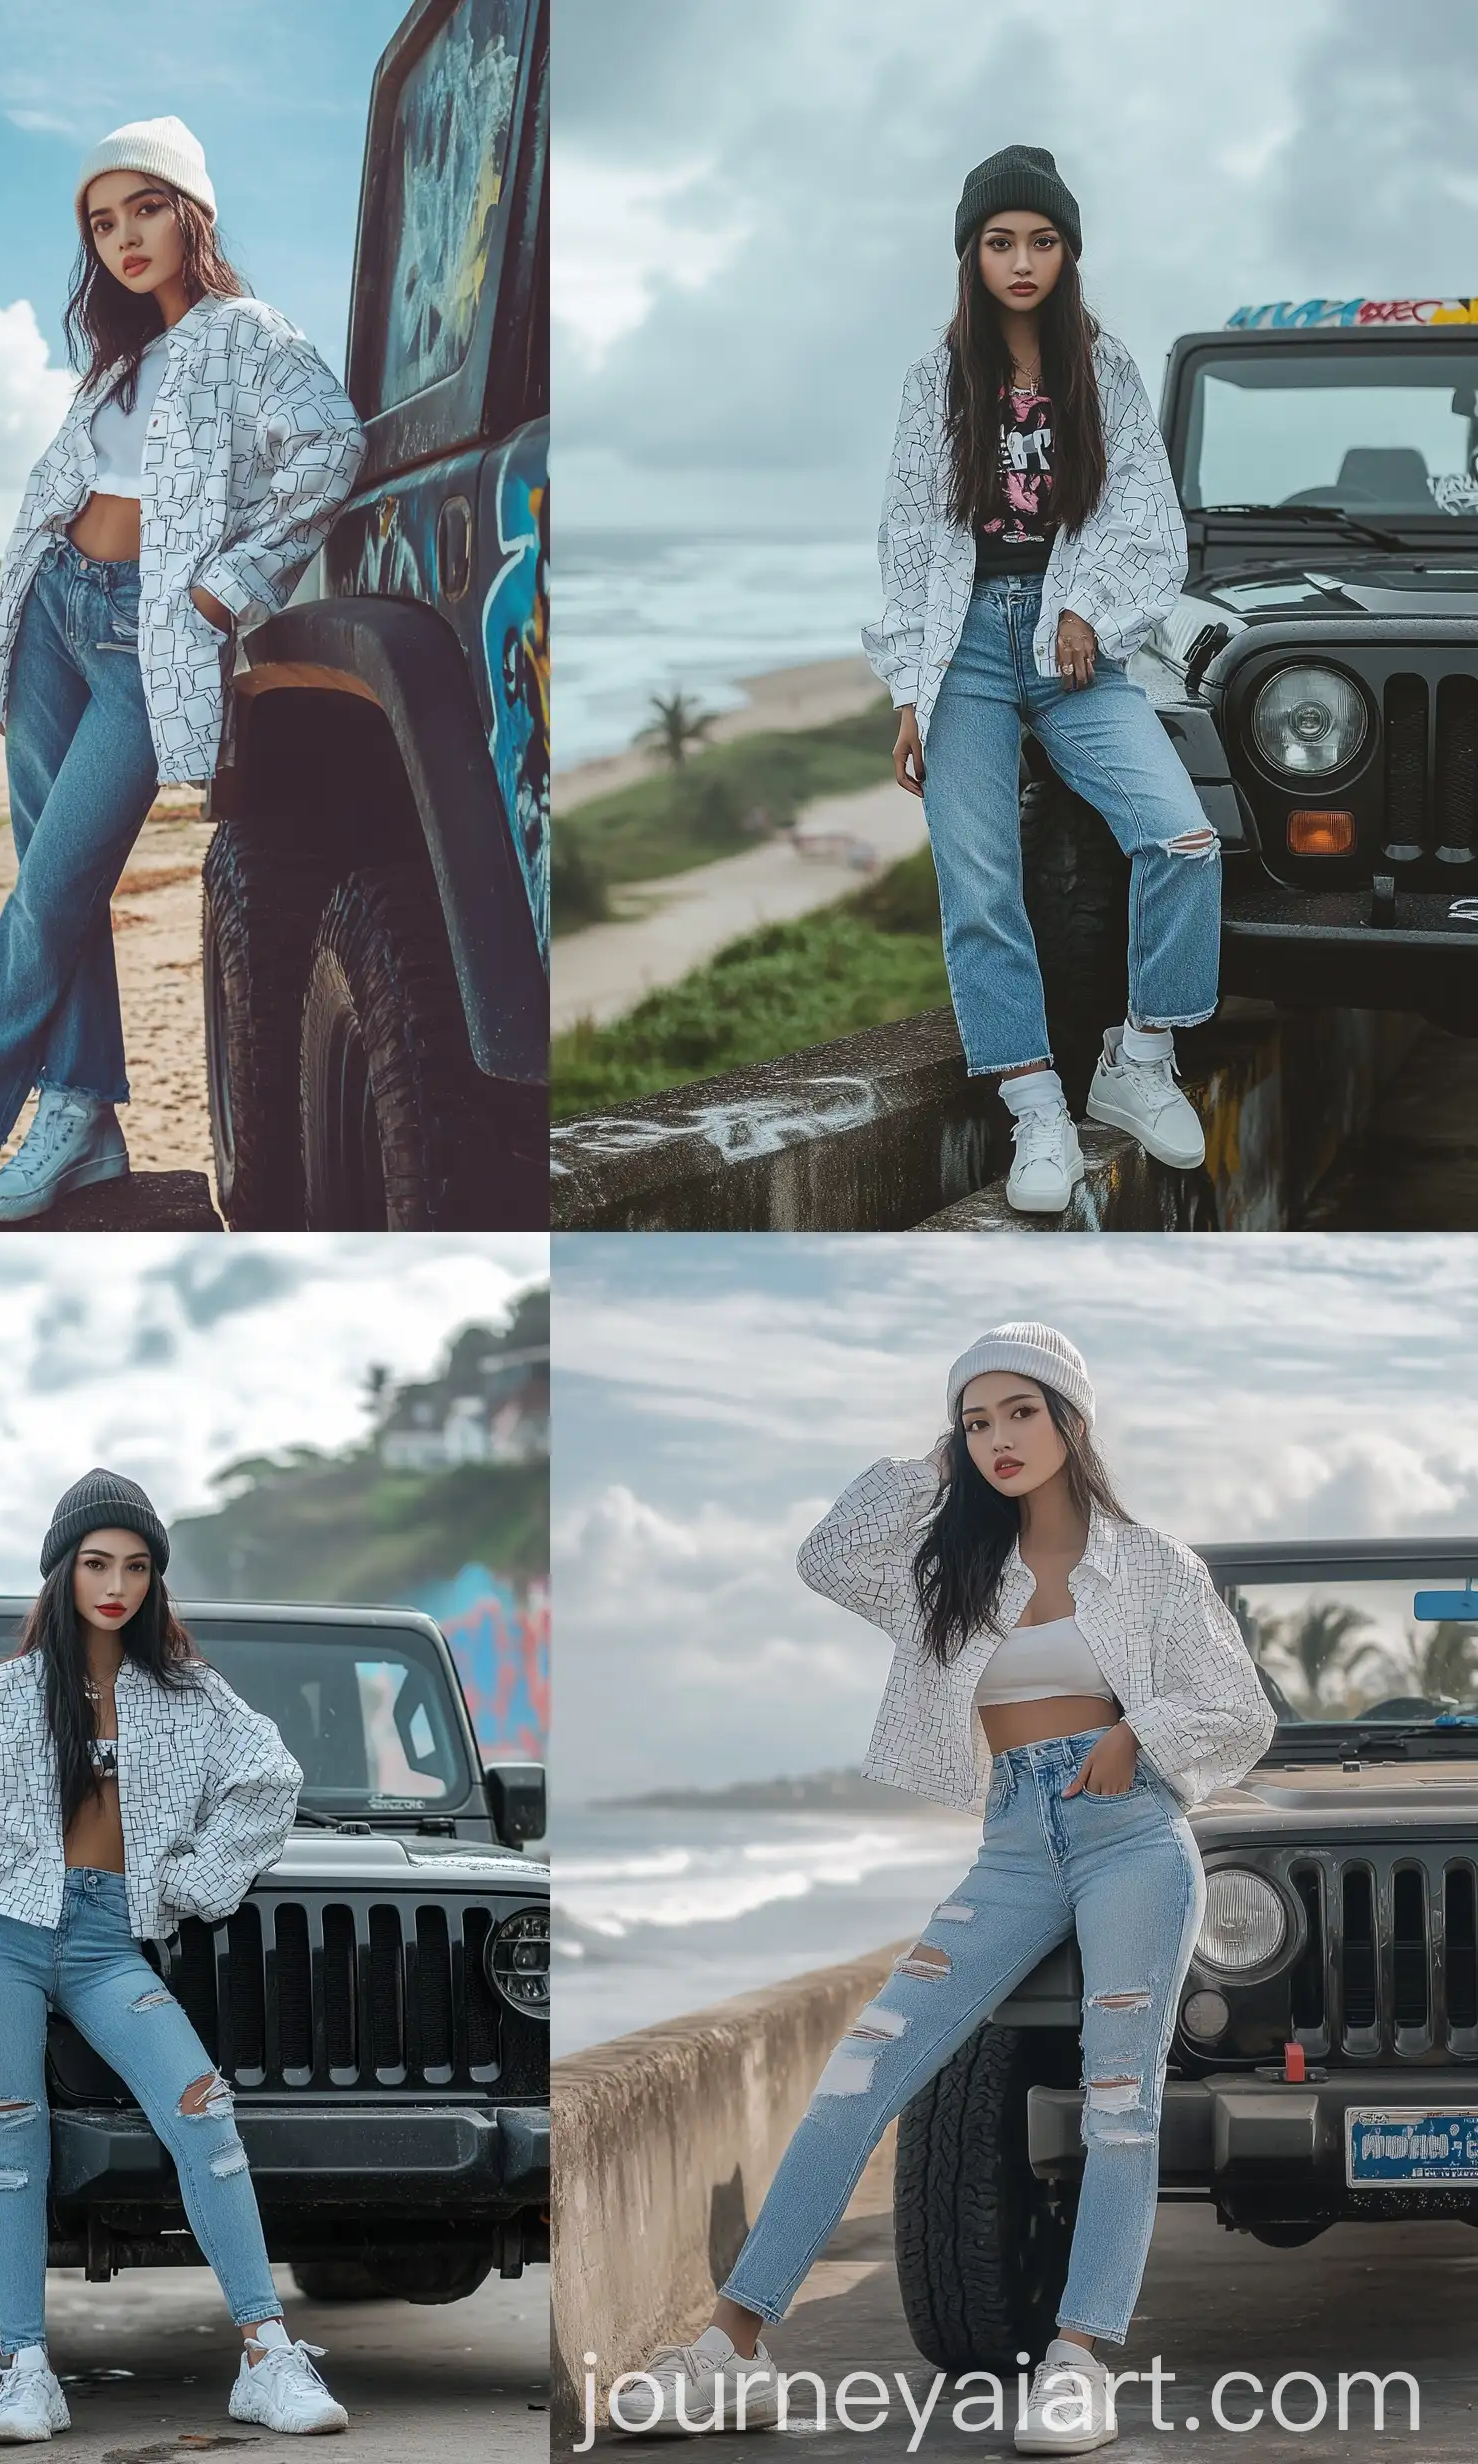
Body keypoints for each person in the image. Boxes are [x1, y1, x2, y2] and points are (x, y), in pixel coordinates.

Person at [615, 1324, 1275, 2451]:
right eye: (975, 1420)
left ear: (1073, 1419)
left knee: (1119, 2100)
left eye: (1019, 1411)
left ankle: (1076, 2360)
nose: (996, 1439)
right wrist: (930, 1463)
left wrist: (1134, 1731)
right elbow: (826, 1555)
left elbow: (1240, 1710)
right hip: (1011, 1844)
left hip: (1131, 1840)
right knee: (855, 2078)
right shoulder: (952, 1569)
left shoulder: (1153, 1565)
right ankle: (731, 2347)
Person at [0, 117, 365, 1222]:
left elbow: (332, 448)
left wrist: (222, 588)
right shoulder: (119, 357)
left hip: (152, 638)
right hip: (57, 612)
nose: (122, 238)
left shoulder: (249, 335)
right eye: (101, 223)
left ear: (189, 210)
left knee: (50, 891)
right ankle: (81, 1116)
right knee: (61, 887)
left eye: (143, 208)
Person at [0, 1468, 351, 2442]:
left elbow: (271, 1778)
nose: (116, 1584)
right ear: (61, 1571)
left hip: (106, 1942)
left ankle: (267, 2354)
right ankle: (26, 2371)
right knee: (14, 2151)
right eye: (97, 1562)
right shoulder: (4, 1695)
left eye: (136, 1565)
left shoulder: (185, 1694)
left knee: (204, 2113)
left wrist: (190, 1878)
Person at [862, 145, 1221, 1214]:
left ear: (1068, 253)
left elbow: (1145, 525)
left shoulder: (1102, 371)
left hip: (1075, 651)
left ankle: (1136, 1058)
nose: (1021, 260)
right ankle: (1033, 1110)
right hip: (962, 646)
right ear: (969, 255)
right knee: (978, 885)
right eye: (999, 241)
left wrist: (1085, 611)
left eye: (1042, 240)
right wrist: (905, 691)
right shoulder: (934, 381)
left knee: (1181, 838)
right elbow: (905, 540)